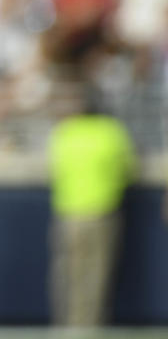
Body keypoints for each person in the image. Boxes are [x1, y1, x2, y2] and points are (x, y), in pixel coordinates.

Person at [48, 94, 136, 326]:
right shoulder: (112, 132)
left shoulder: (66, 131)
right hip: (101, 212)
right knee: (95, 277)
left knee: (65, 276)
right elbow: (128, 169)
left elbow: (54, 169)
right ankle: (88, 327)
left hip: (67, 213)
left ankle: (64, 326)